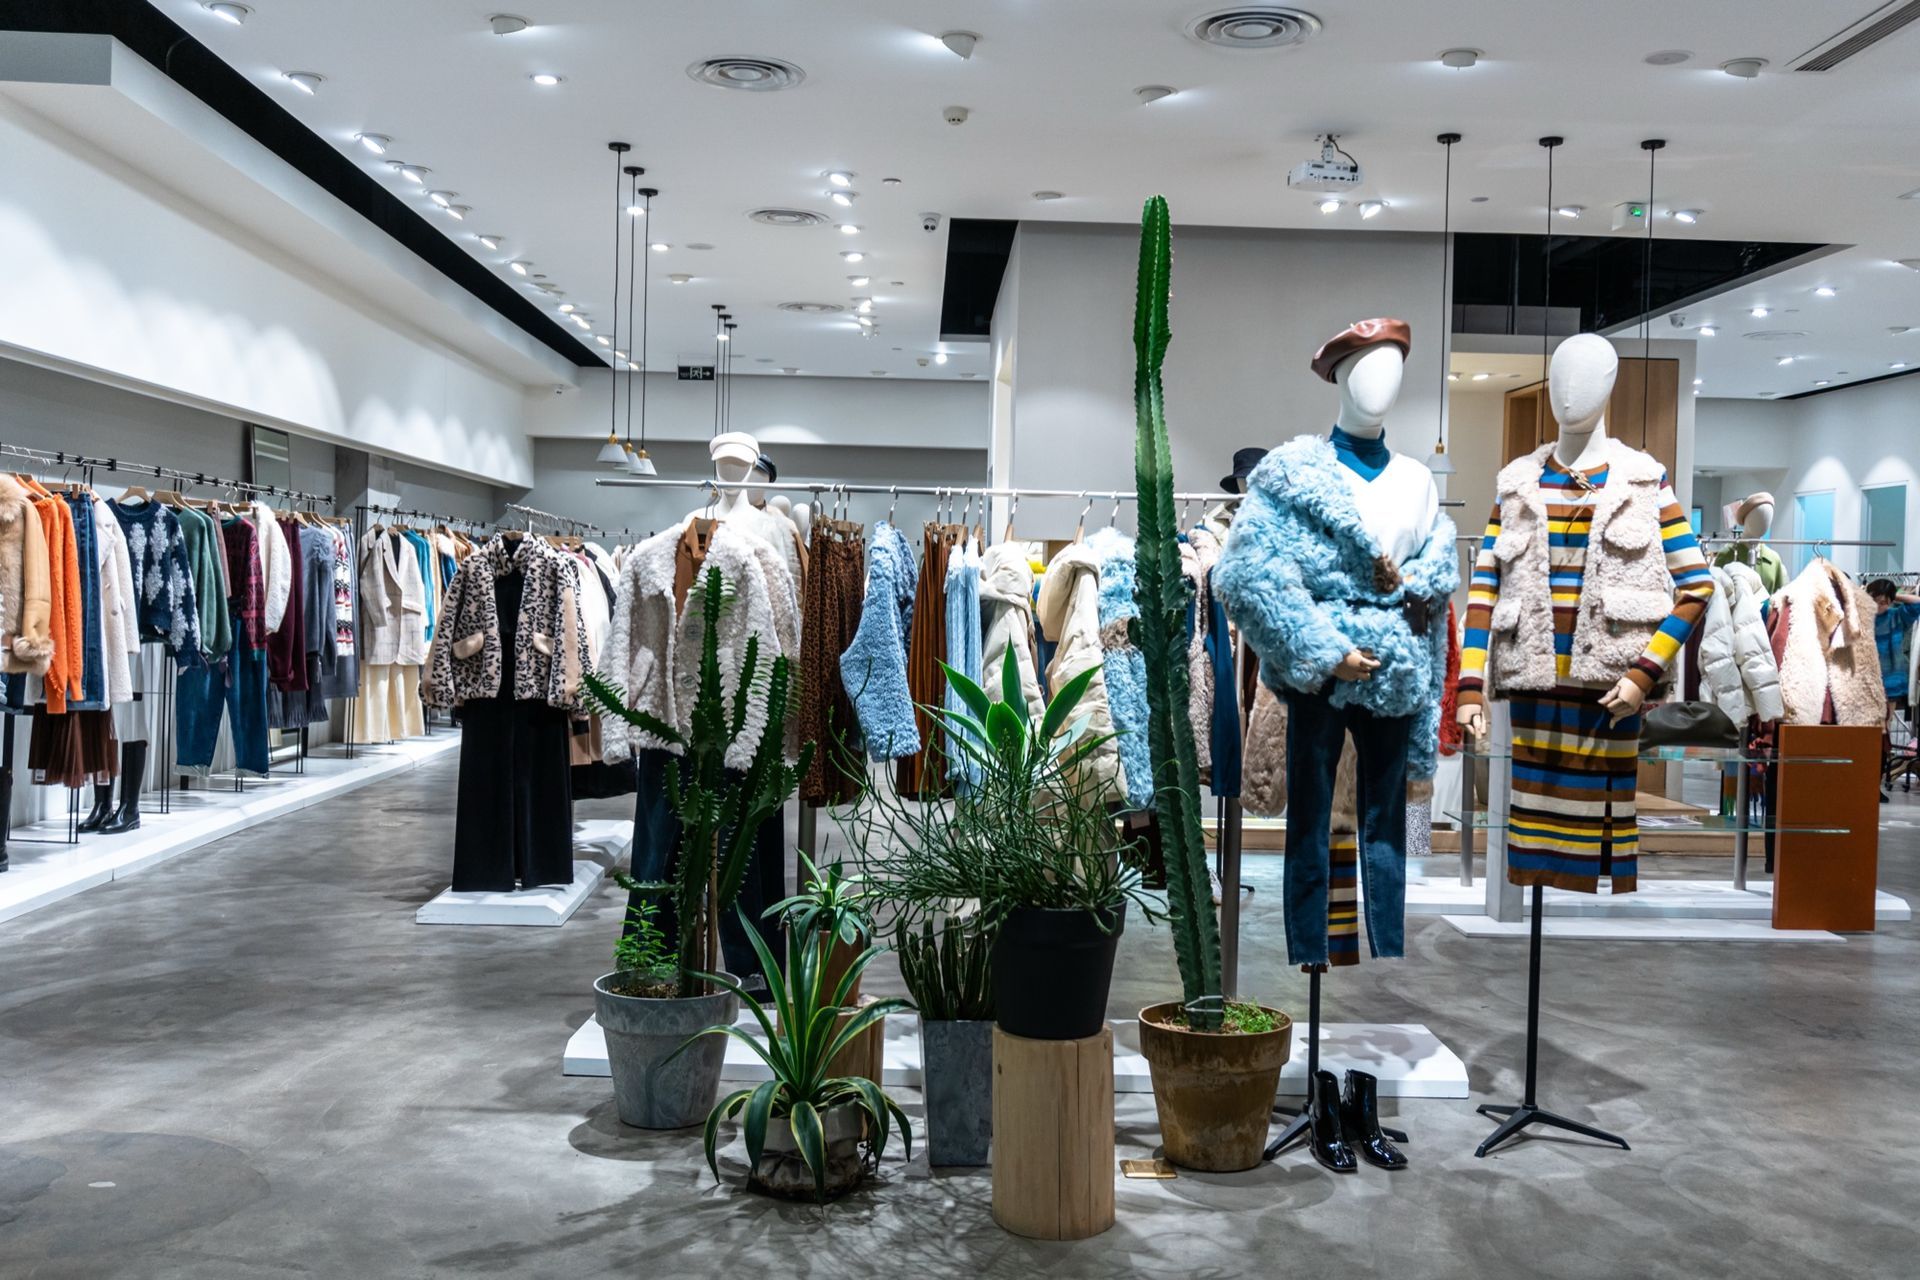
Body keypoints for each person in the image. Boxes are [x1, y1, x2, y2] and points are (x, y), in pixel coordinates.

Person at [1868, 578, 1920, 802]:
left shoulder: (1897, 616)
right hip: (1867, 683)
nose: (1881, 606)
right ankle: (1868, 783)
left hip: (1891, 683)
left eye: (1885, 602)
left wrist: (1893, 594)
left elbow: (1917, 603)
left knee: (1883, 735)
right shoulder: (1862, 617)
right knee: (1871, 735)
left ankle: (1875, 785)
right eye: (1877, 601)